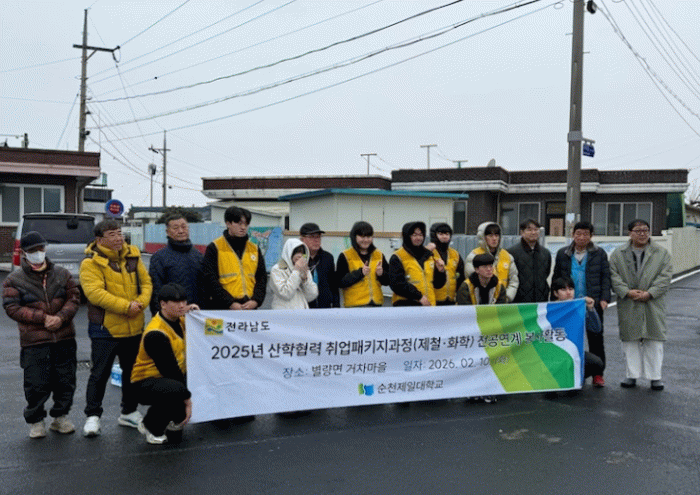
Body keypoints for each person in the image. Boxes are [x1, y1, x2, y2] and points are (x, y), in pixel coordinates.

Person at [3, 231, 81, 438]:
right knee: (36, 383)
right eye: (32, 250)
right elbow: (12, 307)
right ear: (24, 253)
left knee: (66, 380)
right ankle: (36, 421)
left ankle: (60, 417)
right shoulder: (14, 280)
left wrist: (61, 317)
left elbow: (74, 298)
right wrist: (43, 318)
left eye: (41, 248)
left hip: (64, 337)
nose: (38, 253)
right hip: (34, 341)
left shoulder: (62, 274)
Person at [80, 220, 152, 437]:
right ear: (100, 240)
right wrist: (126, 306)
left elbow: (146, 283)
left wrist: (140, 303)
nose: (119, 238)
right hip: (105, 329)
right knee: (99, 373)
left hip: (134, 327)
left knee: (132, 372)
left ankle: (129, 412)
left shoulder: (133, 256)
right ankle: (93, 416)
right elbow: (95, 294)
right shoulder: (90, 263)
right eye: (112, 234)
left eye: (120, 233)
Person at [609, 219, 672, 391]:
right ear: (630, 233)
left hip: (653, 302)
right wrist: (626, 292)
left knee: (654, 340)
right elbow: (613, 276)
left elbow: (665, 277)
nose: (642, 234)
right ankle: (632, 375)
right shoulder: (618, 254)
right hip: (629, 302)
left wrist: (650, 293)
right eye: (638, 231)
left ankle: (655, 377)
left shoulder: (661, 253)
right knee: (630, 340)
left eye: (645, 230)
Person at [131, 284, 196, 445]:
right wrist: (187, 399)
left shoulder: (180, 320)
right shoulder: (156, 333)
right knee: (177, 391)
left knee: (177, 429)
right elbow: (170, 371)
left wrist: (195, 312)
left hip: (169, 379)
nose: (182, 305)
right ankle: (150, 426)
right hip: (144, 383)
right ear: (163, 304)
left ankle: (173, 418)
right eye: (176, 302)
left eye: (184, 301)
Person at [552, 221, 611, 388]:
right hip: (569, 304)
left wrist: (604, 298)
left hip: (591, 302)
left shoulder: (599, 253)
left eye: (586, 234)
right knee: (568, 338)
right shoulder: (563, 253)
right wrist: (554, 301)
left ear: (591, 236)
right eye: (578, 233)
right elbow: (556, 277)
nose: (582, 237)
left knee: (596, 338)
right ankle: (572, 372)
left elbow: (606, 276)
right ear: (573, 234)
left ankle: (598, 374)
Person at [456, 253, 504, 403]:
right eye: (485, 267)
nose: (489, 269)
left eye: (491, 266)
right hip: (472, 330)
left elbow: (502, 309)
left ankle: (489, 390)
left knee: (491, 362)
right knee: (473, 361)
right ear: (477, 270)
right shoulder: (466, 286)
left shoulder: (499, 286)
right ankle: (473, 390)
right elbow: (464, 312)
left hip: (491, 329)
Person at [202, 206, 266, 310]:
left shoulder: (254, 248)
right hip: (223, 307)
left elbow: (261, 278)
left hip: (250, 307)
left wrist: (256, 301)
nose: (243, 227)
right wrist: (230, 303)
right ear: (228, 224)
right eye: (239, 223)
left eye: (246, 224)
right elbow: (210, 279)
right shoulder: (215, 247)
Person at [550, 277, 605, 382]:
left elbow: (596, 328)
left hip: (573, 352)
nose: (568, 292)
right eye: (563, 289)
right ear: (555, 293)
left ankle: (576, 378)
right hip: (553, 353)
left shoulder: (578, 307)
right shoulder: (548, 309)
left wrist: (590, 309)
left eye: (571, 289)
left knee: (597, 363)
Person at [148, 214, 203, 316]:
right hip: (172, 316)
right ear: (167, 232)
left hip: (197, 314)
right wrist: (160, 316)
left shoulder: (198, 256)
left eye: (184, 227)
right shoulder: (159, 258)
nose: (181, 231)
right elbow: (156, 292)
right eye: (175, 228)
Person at [389, 221, 446, 306]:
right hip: (405, 306)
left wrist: (440, 272)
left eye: (421, 235)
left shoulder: (429, 255)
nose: (418, 238)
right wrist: (419, 296)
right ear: (407, 236)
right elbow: (397, 284)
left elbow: (437, 285)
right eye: (414, 235)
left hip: (428, 306)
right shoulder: (397, 257)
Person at [336, 221, 390, 308]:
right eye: (362, 236)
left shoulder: (379, 254)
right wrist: (360, 273)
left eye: (368, 236)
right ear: (354, 237)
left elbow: (388, 281)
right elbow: (340, 282)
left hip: (376, 305)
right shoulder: (345, 256)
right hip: (355, 306)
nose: (366, 240)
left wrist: (381, 274)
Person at [465, 222, 518, 303]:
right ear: (483, 237)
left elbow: (514, 281)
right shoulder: (473, 256)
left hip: (503, 303)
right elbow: (471, 282)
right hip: (479, 302)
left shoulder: (507, 256)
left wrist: (505, 298)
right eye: (490, 235)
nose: (494, 239)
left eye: (496, 235)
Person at [507, 219, 551, 303]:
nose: (533, 232)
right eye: (529, 230)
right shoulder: (511, 252)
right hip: (519, 302)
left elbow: (546, 273)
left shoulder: (545, 253)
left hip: (541, 301)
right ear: (522, 232)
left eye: (536, 229)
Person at [269, 239, 319, 310]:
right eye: (296, 252)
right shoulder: (277, 269)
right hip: (283, 312)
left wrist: (305, 280)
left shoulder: (304, 269)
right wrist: (296, 271)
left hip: (301, 312)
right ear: (289, 252)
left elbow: (312, 296)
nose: (300, 256)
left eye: (302, 253)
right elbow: (285, 294)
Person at [299, 222, 339, 308]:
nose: (316, 240)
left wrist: (336, 306)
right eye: (312, 237)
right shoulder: (298, 258)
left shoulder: (328, 257)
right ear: (302, 239)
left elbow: (333, 285)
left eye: (318, 237)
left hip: (325, 307)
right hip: (304, 307)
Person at [427, 222, 465, 306]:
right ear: (434, 235)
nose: (444, 236)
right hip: (432, 300)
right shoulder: (428, 253)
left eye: (447, 234)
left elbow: (462, 276)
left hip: (451, 300)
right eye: (441, 234)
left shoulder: (455, 254)